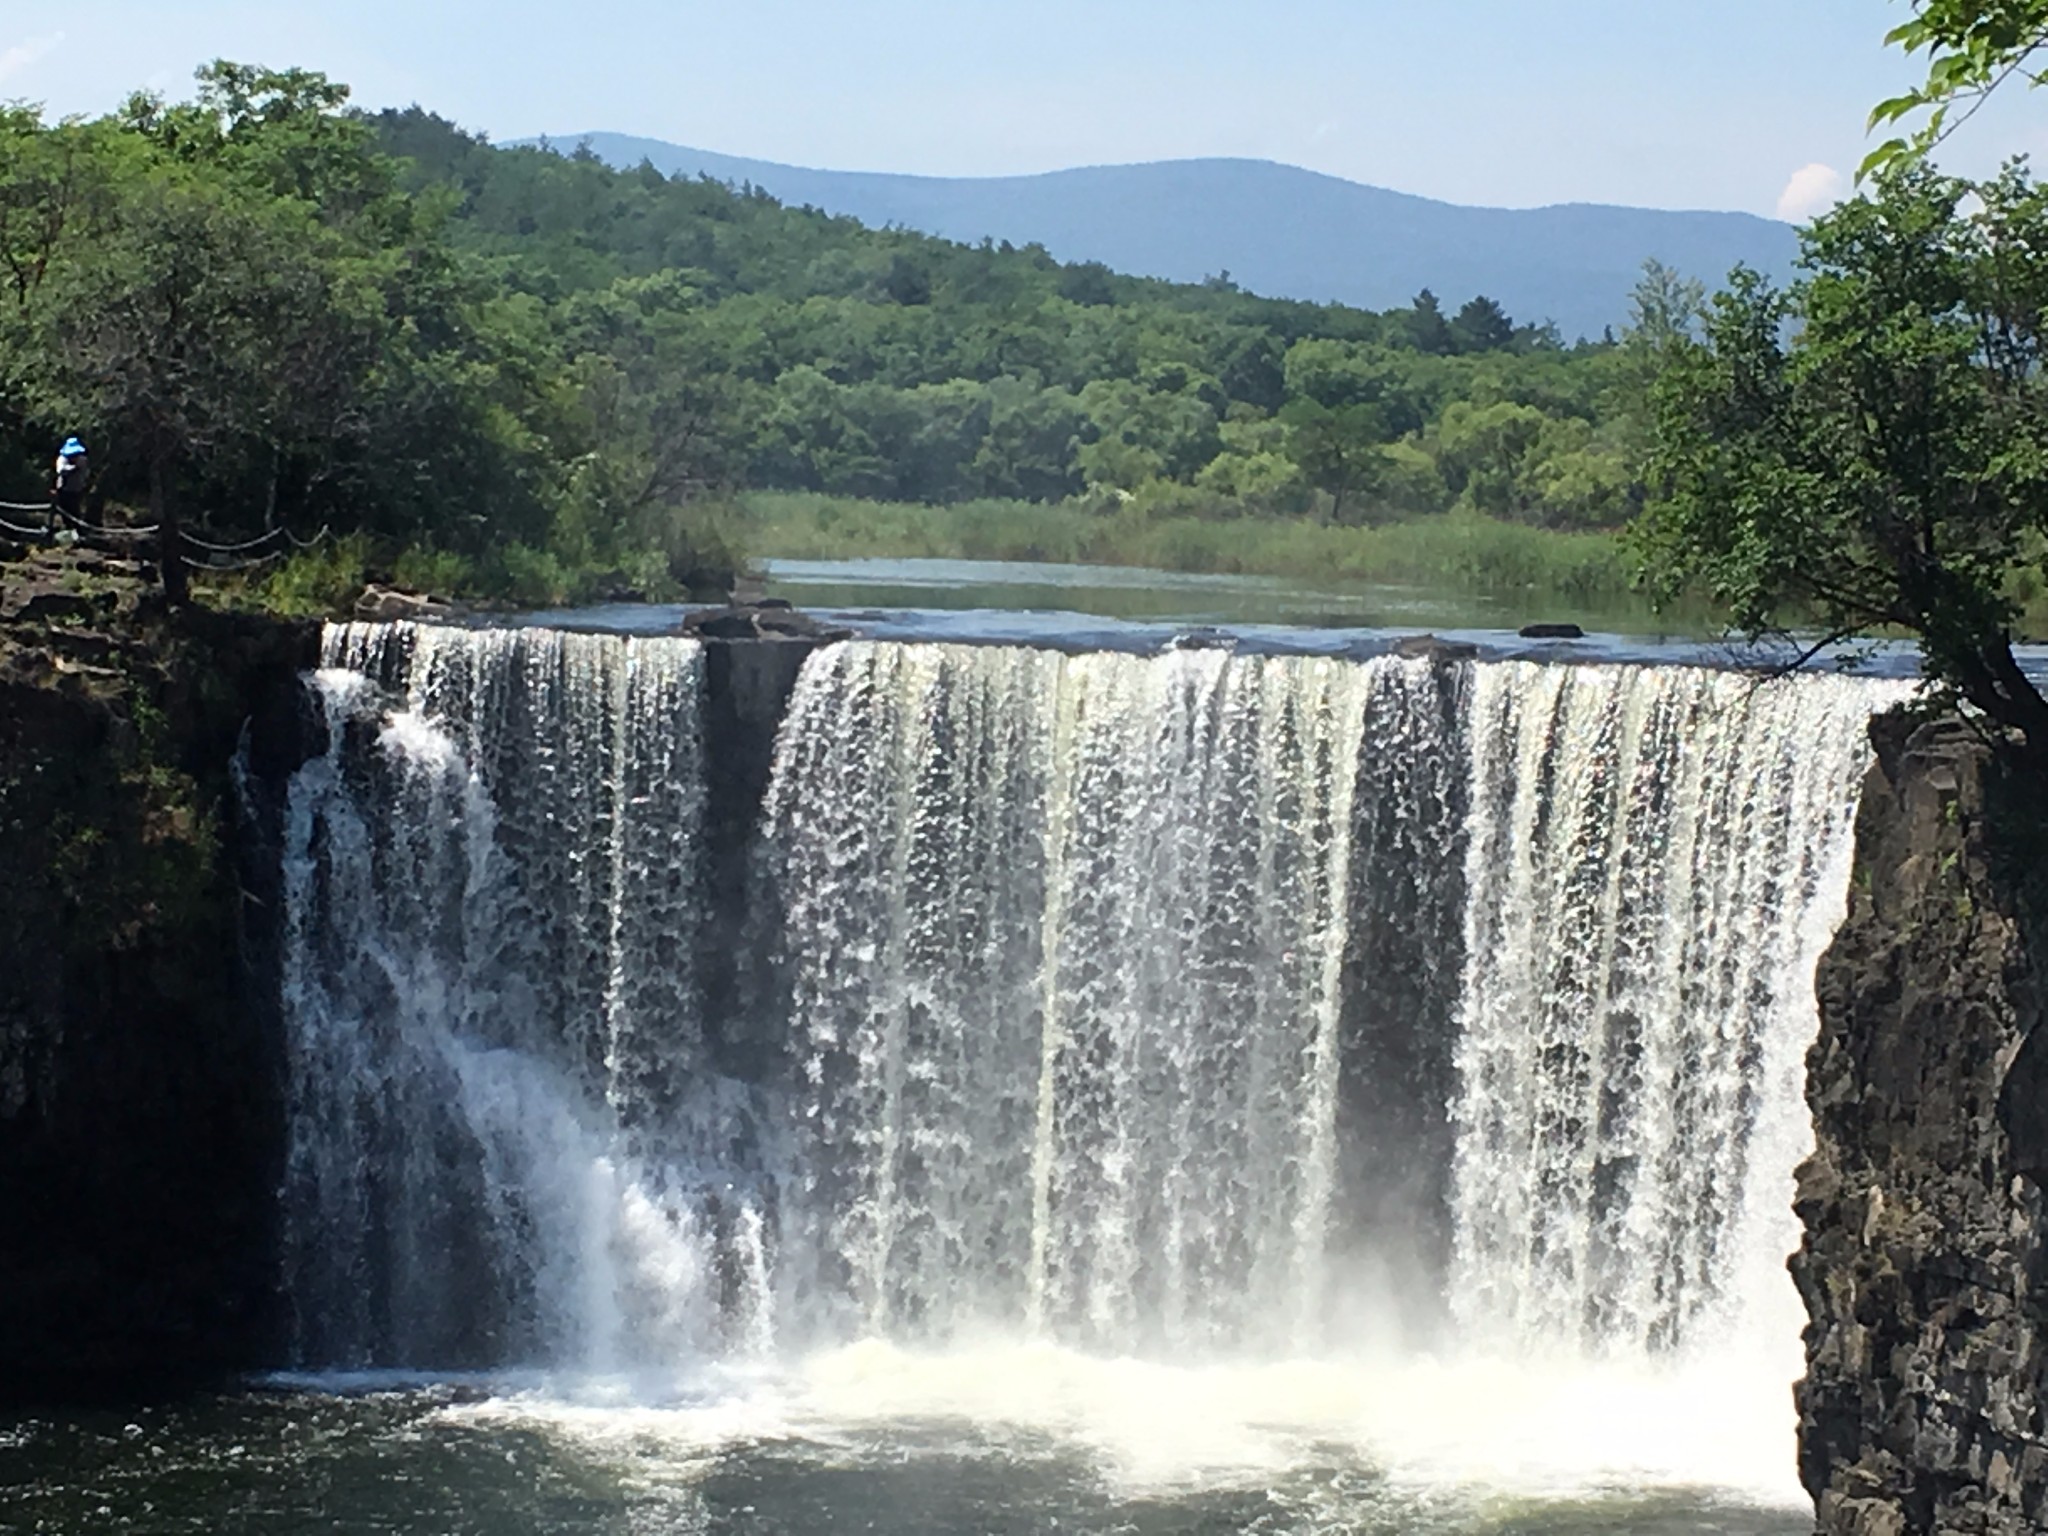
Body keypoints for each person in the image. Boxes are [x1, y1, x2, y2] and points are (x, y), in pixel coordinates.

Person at [51, 437, 89, 527]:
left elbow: (85, 473)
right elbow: (61, 470)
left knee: (76, 513)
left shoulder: (83, 460)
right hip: (64, 490)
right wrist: (73, 468)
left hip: (77, 490)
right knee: (64, 512)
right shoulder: (62, 459)